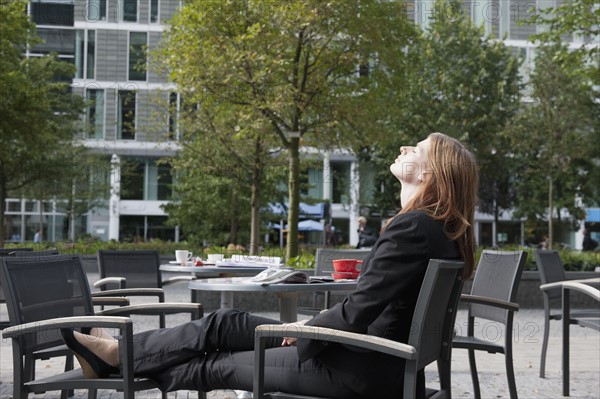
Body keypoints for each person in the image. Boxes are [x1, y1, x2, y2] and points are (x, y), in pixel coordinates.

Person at [59, 132, 479, 399]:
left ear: (429, 174)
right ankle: (116, 354)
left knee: (213, 362)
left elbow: (356, 313)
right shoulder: (439, 232)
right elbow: (366, 310)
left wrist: (303, 331)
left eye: (417, 149)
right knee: (221, 324)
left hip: (358, 371)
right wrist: (308, 330)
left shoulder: (412, 227)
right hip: (372, 361)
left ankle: (115, 359)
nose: (405, 147)